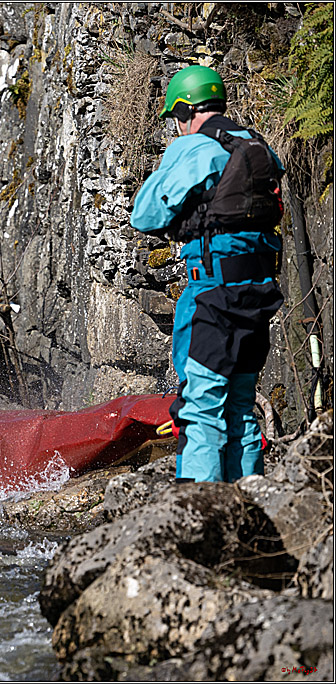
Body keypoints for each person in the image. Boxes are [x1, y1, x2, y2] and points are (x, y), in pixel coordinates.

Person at [131, 65, 285, 482]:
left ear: (185, 109)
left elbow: (144, 214)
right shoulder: (257, 146)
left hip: (213, 295)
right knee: (239, 406)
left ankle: (200, 516)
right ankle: (250, 505)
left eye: (176, 119)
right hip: (258, 292)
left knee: (200, 408)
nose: (176, 128)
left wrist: (172, 165)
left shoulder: (196, 148)